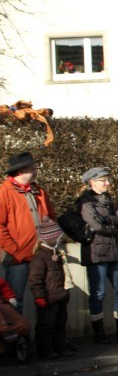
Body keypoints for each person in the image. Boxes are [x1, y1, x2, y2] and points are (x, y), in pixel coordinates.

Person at [77, 167, 118, 343]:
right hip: (96, 253)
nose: (108, 183)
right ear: (92, 182)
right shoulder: (85, 202)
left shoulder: (108, 200)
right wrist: (113, 229)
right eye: (103, 180)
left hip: (113, 252)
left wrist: (108, 221)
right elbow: (95, 226)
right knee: (98, 293)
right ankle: (99, 333)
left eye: (107, 179)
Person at [0, 152, 54, 313]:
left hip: (43, 254)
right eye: (33, 168)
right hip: (18, 258)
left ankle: (45, 336)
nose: (36, 171)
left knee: (47, 296)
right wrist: (15, 250)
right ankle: (17, 335)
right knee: (15, 299)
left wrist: (52, 243)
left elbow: (51, 218)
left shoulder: (39, 191)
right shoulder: (4, 192)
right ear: (21, 171)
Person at [27, 218, 71, 360]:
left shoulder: (56, 254)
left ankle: (60, 347)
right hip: (48, 298)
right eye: (58, 237)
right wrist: (39, 296)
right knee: (46, 326)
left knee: (59, 324)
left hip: (59, 296)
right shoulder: (40, 257)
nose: (60, 240)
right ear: (51, 238)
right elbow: (35, 279)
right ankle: (45, 350)